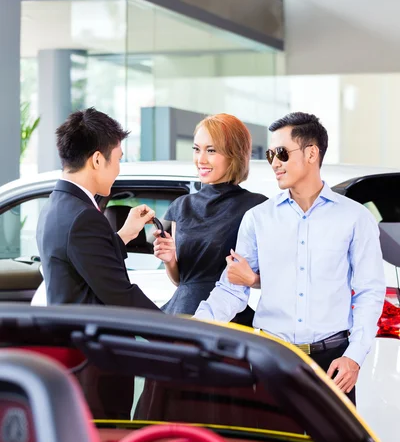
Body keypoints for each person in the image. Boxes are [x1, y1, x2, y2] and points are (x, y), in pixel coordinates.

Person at [194, 112, 386, 404]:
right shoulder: (258, 218)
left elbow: (370, 292)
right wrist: (195, 326)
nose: (274, 163)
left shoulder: (355, 218)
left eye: (282, 153)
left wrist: (354, 357)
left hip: (333, 362)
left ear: (312, 153)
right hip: (272, 361)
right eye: (270, 154)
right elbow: (231, 290)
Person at [36, 107, 159, 311]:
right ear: (97, 160)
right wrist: (180, 336)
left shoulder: (54, 205)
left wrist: (124, 235)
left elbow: (87, 261)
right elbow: (122, 297)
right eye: (119, 159)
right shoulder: (84, 217)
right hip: (90, 339)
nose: (119, 168)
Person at [152, 113, 267, 324]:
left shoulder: (258, 207)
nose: (200, 159)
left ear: (235, 154)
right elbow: (181, 281)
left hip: (228, 319)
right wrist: (170, 260)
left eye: (211, 150)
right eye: (196, 149)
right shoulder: (181, 206)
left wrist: (252, 280)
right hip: (181, 313)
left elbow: (279, 278)